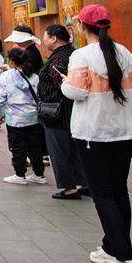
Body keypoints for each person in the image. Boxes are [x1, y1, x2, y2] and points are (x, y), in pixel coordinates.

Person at [61, 4, 132, 263]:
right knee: (119, 191)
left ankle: (127, 257)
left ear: (82, 26)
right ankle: (111, 248)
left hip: (94, 131)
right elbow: (129, 86)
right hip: (124, 130)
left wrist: (65, 83)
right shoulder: (124, 53)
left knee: (103, 194)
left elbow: (75, 91)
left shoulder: (82, 55)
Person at [39, 24, 87, 199]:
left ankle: (69, 188)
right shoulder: (73, 54)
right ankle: (85, 183)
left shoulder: (57, 60)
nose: (43, 40)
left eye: (45, 36)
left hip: (58, 113)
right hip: (74, 111)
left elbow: (63, 84)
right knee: (76, 151)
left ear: (53, 38)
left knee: (59, 151)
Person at [0, 47, 46, 185]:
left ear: (11, 62)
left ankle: (19, 174)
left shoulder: (5, 77)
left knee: (17, 146)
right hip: (34, 118)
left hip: (15, 118)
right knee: (35, 146)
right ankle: (39, 174)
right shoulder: (34, 77)